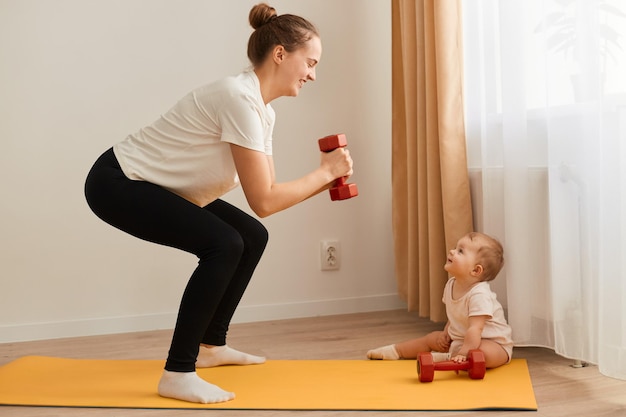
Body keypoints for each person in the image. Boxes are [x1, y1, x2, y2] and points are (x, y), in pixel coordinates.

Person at [84, 3, 353, 404]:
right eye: (310, 62)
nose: (313, 74)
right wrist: (326, 172)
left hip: (160, 186)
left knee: (250, 235)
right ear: (281, 54)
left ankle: (212, 346)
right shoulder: (238, 98)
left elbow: (268, 196)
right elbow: (263, 199)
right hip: (119, 181)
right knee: (223, 244)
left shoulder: (262, 111)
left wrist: (327, 176)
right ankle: (177, 372)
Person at [367, 232, 513, 369]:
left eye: (460, 251)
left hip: (493, 344)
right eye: (456, 248)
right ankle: (396, 351)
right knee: (431, 339)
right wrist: (446, 332)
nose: (452, 251)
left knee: (480, 354)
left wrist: (463, 352)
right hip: (462, 340)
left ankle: (447, 357)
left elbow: (476, 328)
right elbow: (455, 315)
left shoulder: (480, 295)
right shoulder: (451, 285)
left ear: (475, 270)